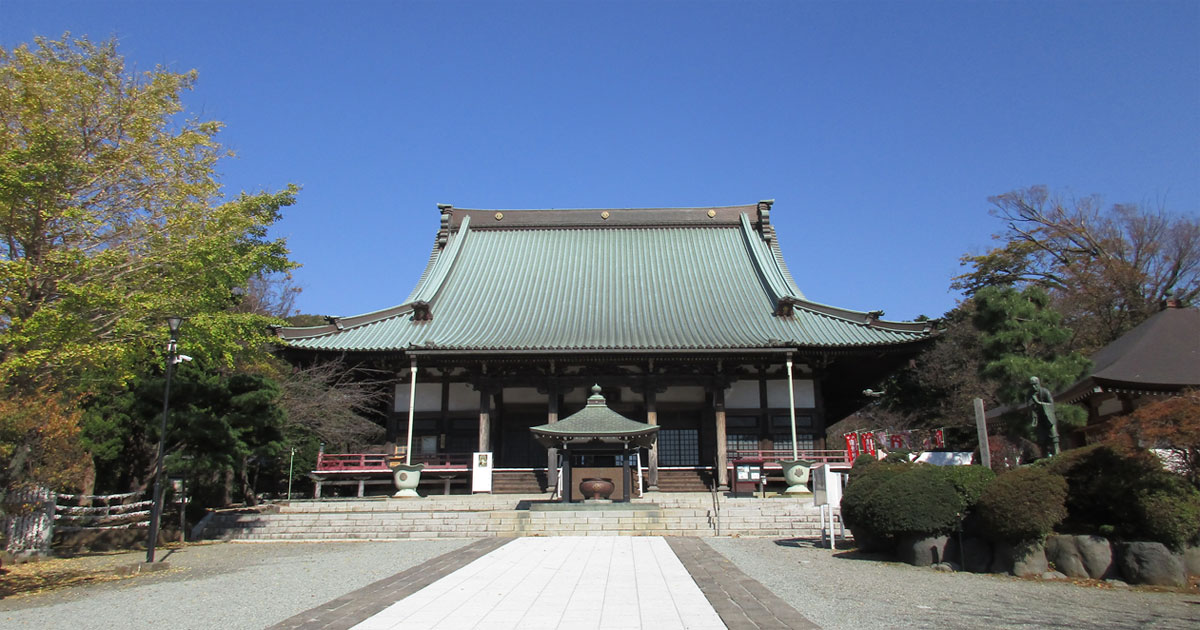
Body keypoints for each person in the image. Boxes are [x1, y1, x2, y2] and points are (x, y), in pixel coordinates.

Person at [1029, 376, 1061, 456]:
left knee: (1053, 435)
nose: (1034, 387)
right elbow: (1030, 406)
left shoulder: (1045, 392)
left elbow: (1051, 404)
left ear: (1038, 383)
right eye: (1032, 385)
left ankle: (1057, 452)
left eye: (1035, 384)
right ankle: (1044, 455)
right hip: (1040, 418)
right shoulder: (1030, 395)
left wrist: (1039, 403)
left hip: (1048, 416)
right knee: (1042, 438)